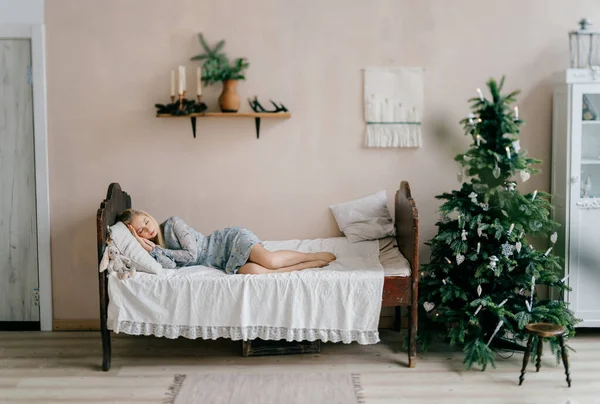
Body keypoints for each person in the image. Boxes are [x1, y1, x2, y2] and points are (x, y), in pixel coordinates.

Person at [117, 209, 336, 275]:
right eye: (141, 231)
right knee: (253, 273)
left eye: (146, 221)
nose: (148, 229)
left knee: (270, 260)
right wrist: (151, 249)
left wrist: (155, 247)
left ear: (148, 214)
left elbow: (191, 256)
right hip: (222, 262)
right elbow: (171, 266)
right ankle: (306, 266)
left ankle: (311, 256)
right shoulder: (157, 250)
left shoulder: (173, 224)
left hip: (228, 241)